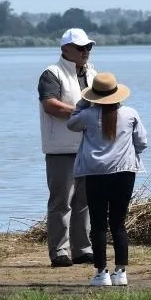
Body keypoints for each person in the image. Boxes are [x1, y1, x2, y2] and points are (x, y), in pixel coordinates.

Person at [67, 72, 148, 286]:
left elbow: (71, 123)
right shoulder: (130, 113)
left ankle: (101, 272)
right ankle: (121, 271)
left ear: (94, 96)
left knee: (98, 224)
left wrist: (83, 101)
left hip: (95, 173)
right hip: (125, 172)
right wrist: (131, 153)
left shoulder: (87, 115)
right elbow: (142, 142)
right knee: (119, 223)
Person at [38, 28, 96, 267]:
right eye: (81, 48)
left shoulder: (94, 73)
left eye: (88, 47)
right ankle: (59, 251)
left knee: (85, 200)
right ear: (66, 49)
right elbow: (50, 105)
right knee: (61, 201)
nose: (85, 52)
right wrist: (81, 114)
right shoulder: (52, 74)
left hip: (89, 145)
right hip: (60, 148)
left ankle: (82, 249)